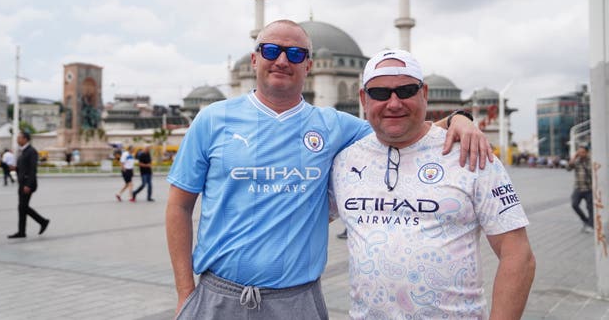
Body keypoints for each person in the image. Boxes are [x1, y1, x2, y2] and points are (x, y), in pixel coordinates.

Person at [165, 20, 492, 320]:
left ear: (309, 65)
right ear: (254, 60)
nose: (282, 60)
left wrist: (458, 118)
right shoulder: (213, 120)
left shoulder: (334, 126)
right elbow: (179, 206)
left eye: (295, 54)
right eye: (270, 50)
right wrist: (185, 293)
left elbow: (404, 130)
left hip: (297, 301)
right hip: (218, 297)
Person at [329, 49, 536, 319]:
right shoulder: (345, 161)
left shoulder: (470, 153)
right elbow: (301, 219)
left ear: (424, 93)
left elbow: (518, 255)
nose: (393, 103)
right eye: (380, 93)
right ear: (363, 99)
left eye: (405, 91)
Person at [7, 131, 50, 239]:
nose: (17, 139)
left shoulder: (31, 151)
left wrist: (28, 185)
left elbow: (32, 170)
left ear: (25, 139)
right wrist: (15, 168)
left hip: (28, 184)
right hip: (22, 183)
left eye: (19, 138)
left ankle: (42, 221)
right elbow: (23, 168)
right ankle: (22, 231)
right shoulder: (23, 151)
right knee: (22, 207)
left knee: (23, 207)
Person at [567, 145, 593, 233]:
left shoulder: (591, 160)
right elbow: (568, 168)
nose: (581, 154)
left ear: (587, 152)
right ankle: (586, 220)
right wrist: (574, 157)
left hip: (589, 188)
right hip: (578, 188)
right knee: (574, 205)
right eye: (579, 152)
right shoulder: (577, 160)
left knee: (590, 208)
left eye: (582, 152)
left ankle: (591, 225)